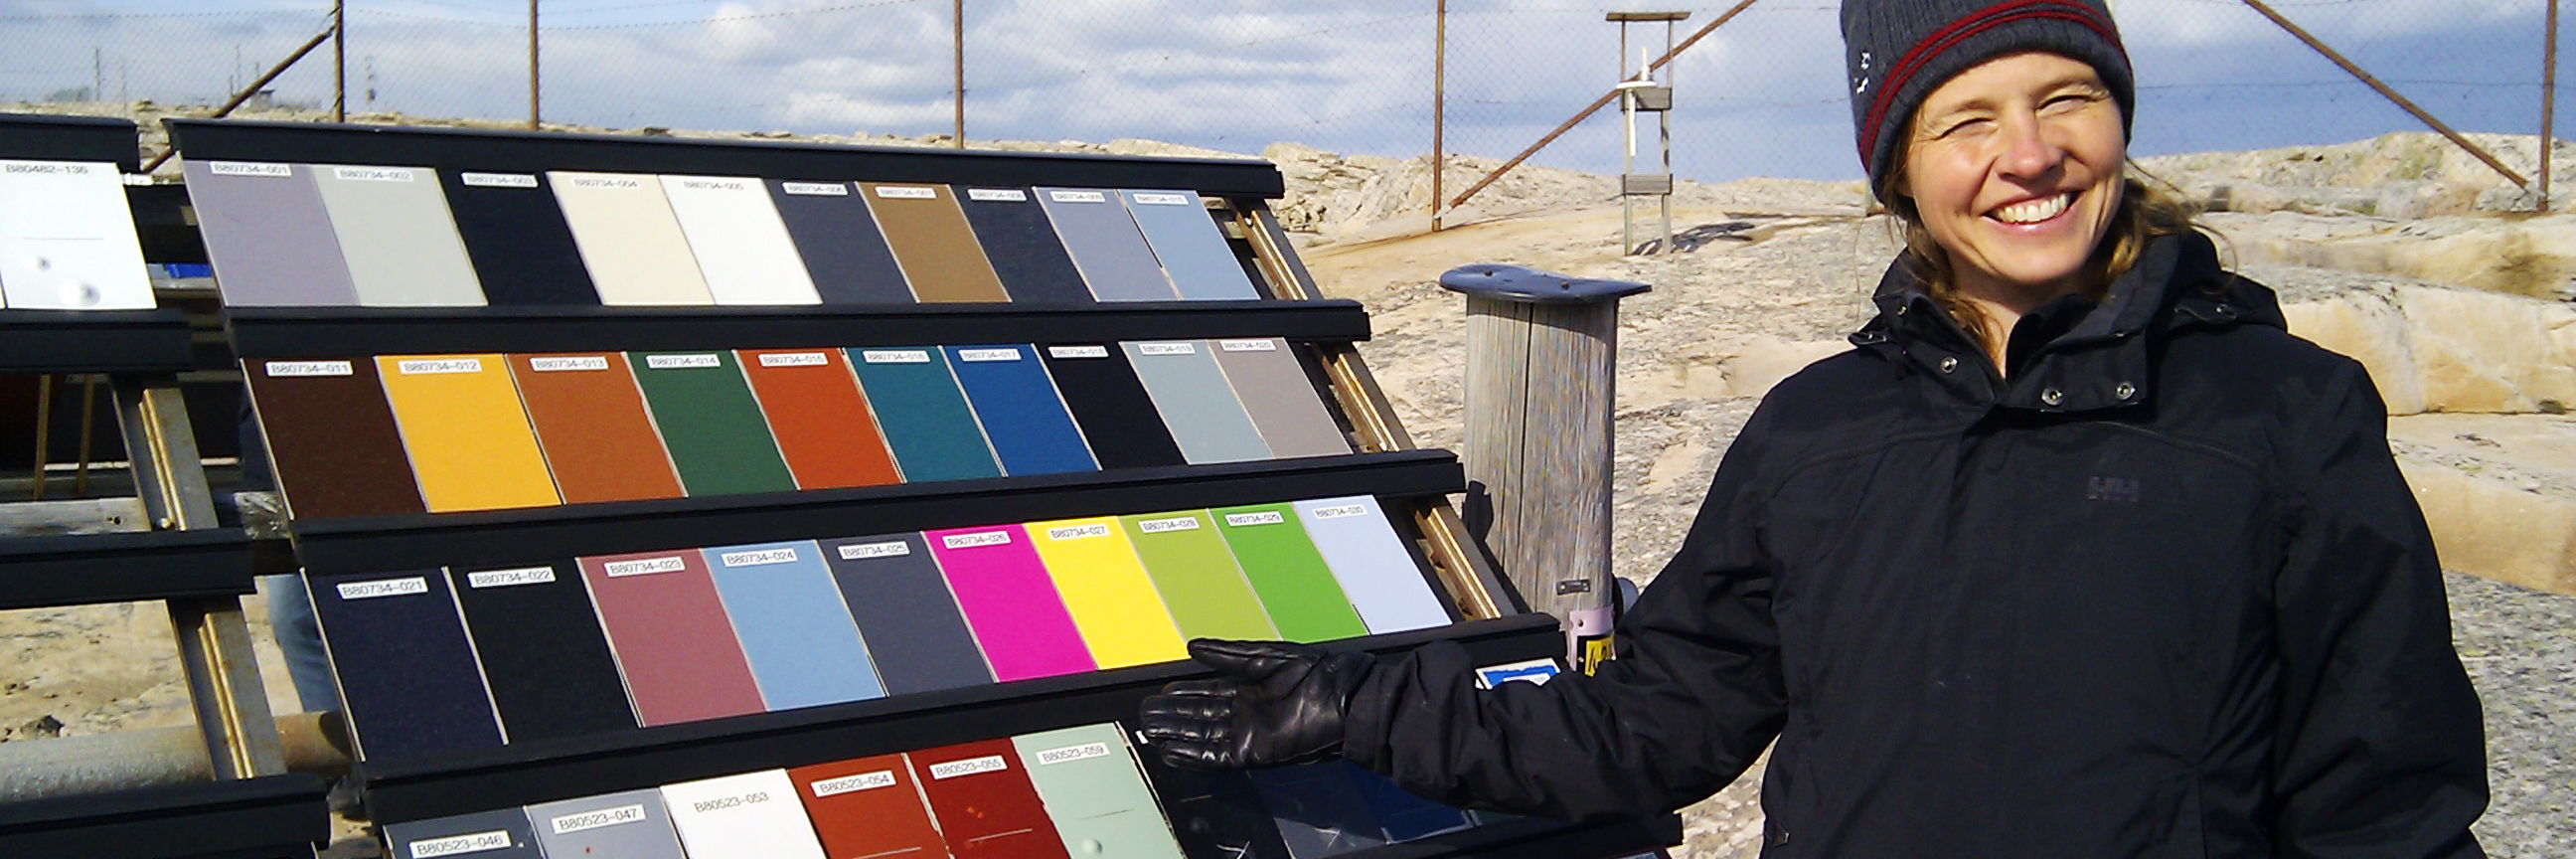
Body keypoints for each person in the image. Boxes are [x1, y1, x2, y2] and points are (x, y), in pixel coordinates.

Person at [1137, 1, 2491, 856]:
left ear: (2119, 121)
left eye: (2065, 99)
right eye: (1966, 120)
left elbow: (2388, 803)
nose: (2028, 155)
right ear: (1898, 170)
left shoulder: (2283, 413)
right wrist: (1355, 703)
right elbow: (1655, 727)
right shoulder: (1818, 432)